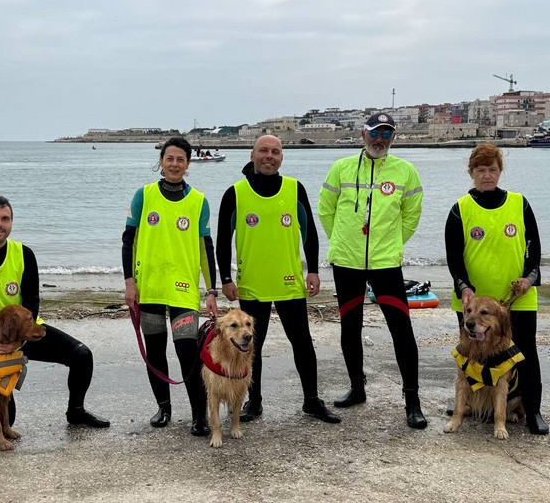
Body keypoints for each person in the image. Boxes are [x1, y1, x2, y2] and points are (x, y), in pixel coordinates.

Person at [0, 195, 110, 428]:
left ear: (11, 223)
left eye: (5, 219)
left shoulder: (24, 254)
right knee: (8, 420)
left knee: (82, 355)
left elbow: (32, 302)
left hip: (24, 335)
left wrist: (17, 343)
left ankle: (76, 412)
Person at [216, 134, 340, 425]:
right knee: (249, 346)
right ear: (252, 154)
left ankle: (311, 400)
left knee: (302, 342)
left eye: (275, 152)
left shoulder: (295, 189)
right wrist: (225, 277)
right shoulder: (235, 193)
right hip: (252, 284)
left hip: (289, 282)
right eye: (263, 151)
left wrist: (313, 271)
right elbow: (223, 240)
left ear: (281, 157)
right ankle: (253, 402)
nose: (269, 156)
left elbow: (308, 233)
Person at [318, 113, 427, 429]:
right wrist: (342, 239)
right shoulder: (340, 168)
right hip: (347, 262)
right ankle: (357, 387)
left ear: (393, 139)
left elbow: (411, 217)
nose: (380, 139)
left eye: (387, 135)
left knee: (401, 330)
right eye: (375, 133)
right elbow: (326, 210)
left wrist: (391, 244)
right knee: (349, 326)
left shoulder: (405, 172)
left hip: (385, 264)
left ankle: (413, 401)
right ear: (363, 133)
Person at [444, 143, 547, 434]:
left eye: (492, 169)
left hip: (517, 298)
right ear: (471, 173)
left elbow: (534, 251)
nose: (486, 175)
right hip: (473, 302)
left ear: (500, 171)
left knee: (524, 353)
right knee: (472, 355)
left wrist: (529, 279)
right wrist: (463, 287)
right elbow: (453, 257)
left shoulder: (519, 203)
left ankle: (533, 409)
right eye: (480, 170)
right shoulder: (459, 209)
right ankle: (470, 404)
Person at [122, 137, 218, 436]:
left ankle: (199, 416)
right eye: (170, 158)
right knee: (155, 351)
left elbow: (206, 248)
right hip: (148, 288)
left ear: (188, 164)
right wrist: (129, 283)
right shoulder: (144, 195)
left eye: (180, 159)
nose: (174, 164)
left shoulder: (199, 201)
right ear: (161, 161)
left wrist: (211, 290)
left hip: (183, 290)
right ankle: (164, 407)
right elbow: (128, 240)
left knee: (188, 351)